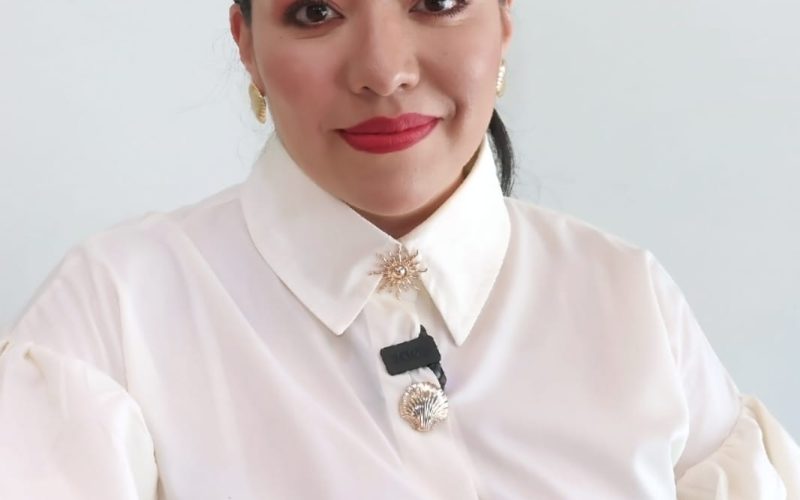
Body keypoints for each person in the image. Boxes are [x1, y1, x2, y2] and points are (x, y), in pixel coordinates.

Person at [0, 0, 798, 498]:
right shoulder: (113, 317)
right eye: (316, 11)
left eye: (437, 2)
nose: (384, 72)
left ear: (505, 18)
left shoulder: (628, 300)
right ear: (246, 42)